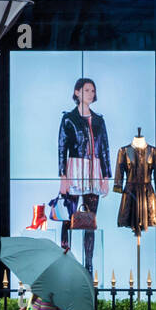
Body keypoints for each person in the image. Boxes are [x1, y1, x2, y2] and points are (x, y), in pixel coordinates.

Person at [57, 77, 110, 277]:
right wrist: (63, 176)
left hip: (93, 171)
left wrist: (106, 176)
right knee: (67, 217)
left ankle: (89, 264)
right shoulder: (68, 118)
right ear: (77, 92)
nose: (90, 94)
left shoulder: (99, 120)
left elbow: (104, 148)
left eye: (92, 91)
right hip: (74, 168)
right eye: (87, 90)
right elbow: (62, 147)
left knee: (90, 220)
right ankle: (65, 256)